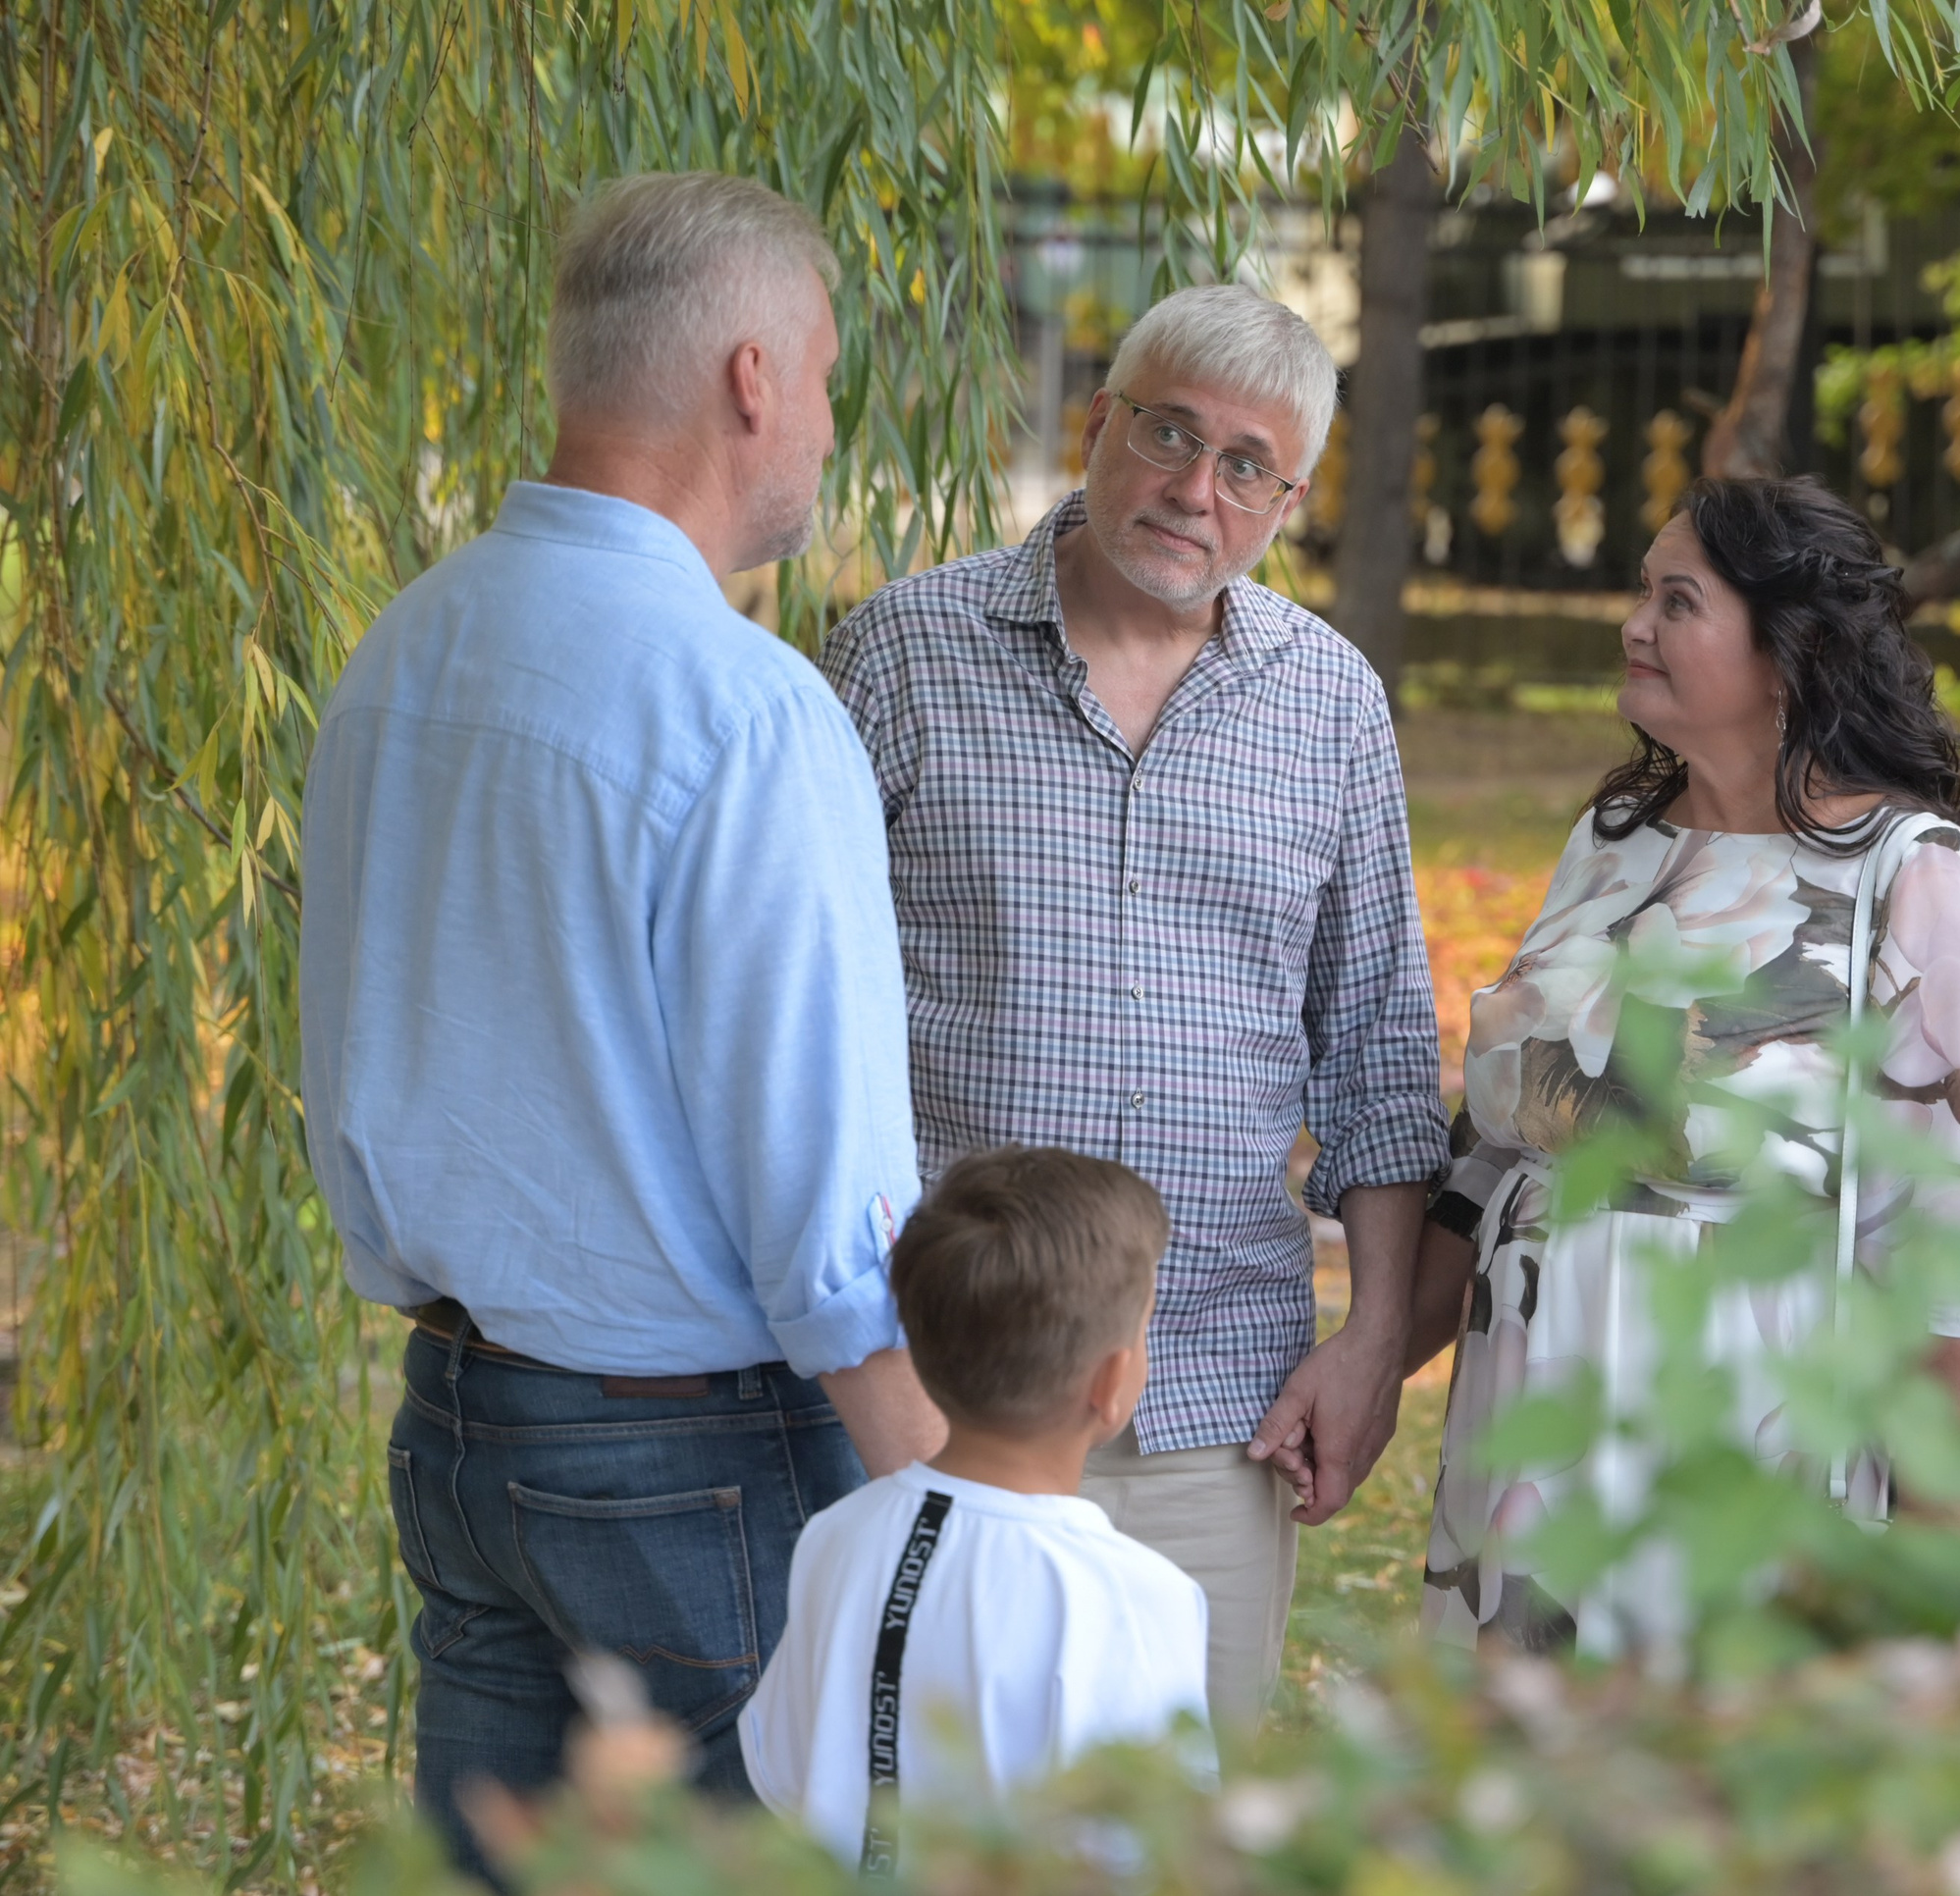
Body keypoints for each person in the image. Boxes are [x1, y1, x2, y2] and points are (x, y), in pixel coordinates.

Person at [297, 173, 944, 1868]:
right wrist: (951, 1499)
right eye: (817, 371)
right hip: (695, 1447)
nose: (819, 419)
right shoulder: (743, 709)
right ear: (748, 380)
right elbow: (822, 1186)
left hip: (458, 1418)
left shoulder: (405, 650)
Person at [821, 285, 1450, 1726]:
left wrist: (1366, 1349)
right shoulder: (903, 659)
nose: (1193, 489)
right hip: (936, 1386)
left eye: (1247, 465)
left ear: (1289, 498)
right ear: (1098, 423)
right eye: (1169, 433)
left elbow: (1378, 1051)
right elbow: (800, 1020)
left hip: (1210, 1397)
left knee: (1171, 1836)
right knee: (924, 1823)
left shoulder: (1332, 707)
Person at [1405, 476, 1960, 1658]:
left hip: (1754, 1421)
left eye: (1677, 601)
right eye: (1641, 591)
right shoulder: (1610, 845)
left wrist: (1938, 1579)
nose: (1635, 624)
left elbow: (1953, 1268)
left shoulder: (1921, 878)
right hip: (1538, 1401)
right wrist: (1369, 1362)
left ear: (1785, 654)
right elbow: (1499, 1148)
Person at [741, 1147, 1211, 1868]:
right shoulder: (1132, 1597)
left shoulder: (836, 1537)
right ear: (1111, 1380)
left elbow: (783, 1773)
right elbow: (1156, 1852)